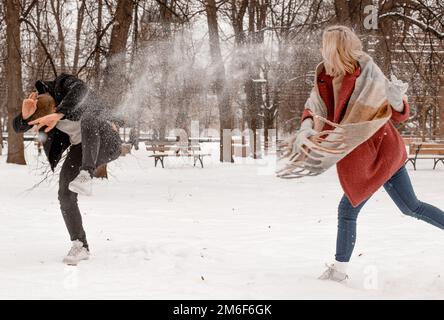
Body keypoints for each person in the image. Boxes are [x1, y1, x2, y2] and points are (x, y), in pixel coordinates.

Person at [294, 26, 444, 282]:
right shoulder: (324, 76)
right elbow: (314, 107)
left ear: (334, 49)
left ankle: (339, 273)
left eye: (324, 44)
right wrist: (306, 128)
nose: (321, 48)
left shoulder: (367, 73)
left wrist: (397, 101)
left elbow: (398, 114)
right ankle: (339, 271)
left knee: (351, 211)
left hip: (382, 152)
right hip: (363, 157)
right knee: (411, 207)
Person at [13, 74, 122, 265]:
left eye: (48, 121)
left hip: (107, 139)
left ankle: (86, 174)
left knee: (88, 117)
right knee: (65, 193)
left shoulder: (64, 85)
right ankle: (80, 245)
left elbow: (82, 91)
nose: (47, 126)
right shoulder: (41, 113)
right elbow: (17, 127)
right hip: (81, 148)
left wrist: (58, 114)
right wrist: (24, 117)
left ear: (54, 107)